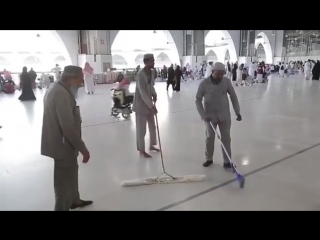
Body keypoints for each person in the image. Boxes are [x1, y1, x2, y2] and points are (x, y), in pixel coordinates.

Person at [41, 65, 92, 211]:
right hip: (63, 145)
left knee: (71, 172)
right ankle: (62, 207)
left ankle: (74, 200)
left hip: (64, 144)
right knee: (64, 180)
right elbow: (68, 127)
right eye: (80, 80)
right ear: (71, 78)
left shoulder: (58, 88)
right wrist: (84, 149)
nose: (81, 83)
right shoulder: (60, 94)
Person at [195, 62, 241, 168]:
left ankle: (227, 161)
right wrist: (203, 114)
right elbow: (197, 99)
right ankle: (209, 158)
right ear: (212, 72)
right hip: (210, 117)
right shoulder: (204, 83)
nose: (220, 76)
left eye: (222, 74)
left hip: (224, 115)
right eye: (218, 74)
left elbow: (233, 97)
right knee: (209, 138)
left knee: (226, 138)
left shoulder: (226, 82)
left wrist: (237, 112)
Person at [132, 53, 159, 158]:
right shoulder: (140, 75)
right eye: (151, 61)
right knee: (141, 129)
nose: (153, 62)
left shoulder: (151, 73)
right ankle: (141, 150)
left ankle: (152, 145)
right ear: (146, 62)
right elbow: (142, 92)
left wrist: (154, 94)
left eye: (153, 60)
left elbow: (151, 86)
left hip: (149, 105)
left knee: (152, 126)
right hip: (141, 105)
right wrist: (152, 106)